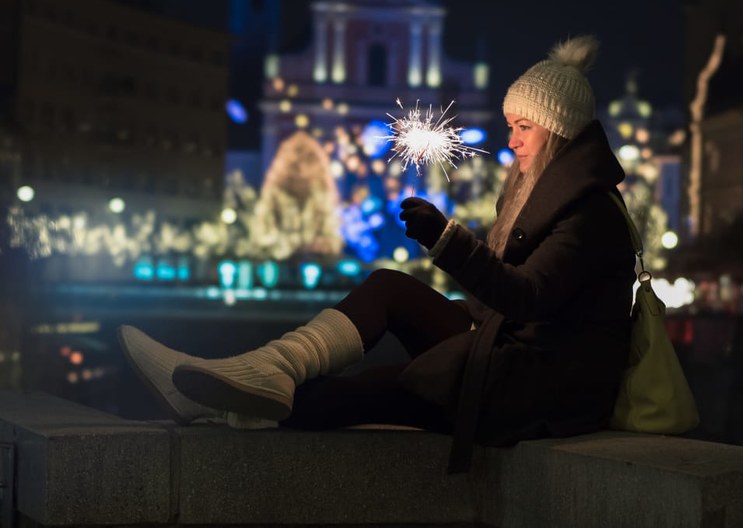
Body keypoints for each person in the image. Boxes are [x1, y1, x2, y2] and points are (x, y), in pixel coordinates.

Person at [119, 35, 635, 470]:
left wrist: (448, 241)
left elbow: (528, 296)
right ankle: (268, 368)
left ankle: (212, 399)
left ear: (560, 131)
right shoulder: (548, 193)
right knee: (390, 285)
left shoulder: (588, 211)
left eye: (524, 128)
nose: (512, 140)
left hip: (535, 391)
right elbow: (507, 302)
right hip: (506, 356)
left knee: (359, 393)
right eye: (510, 126)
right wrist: (453, 288)